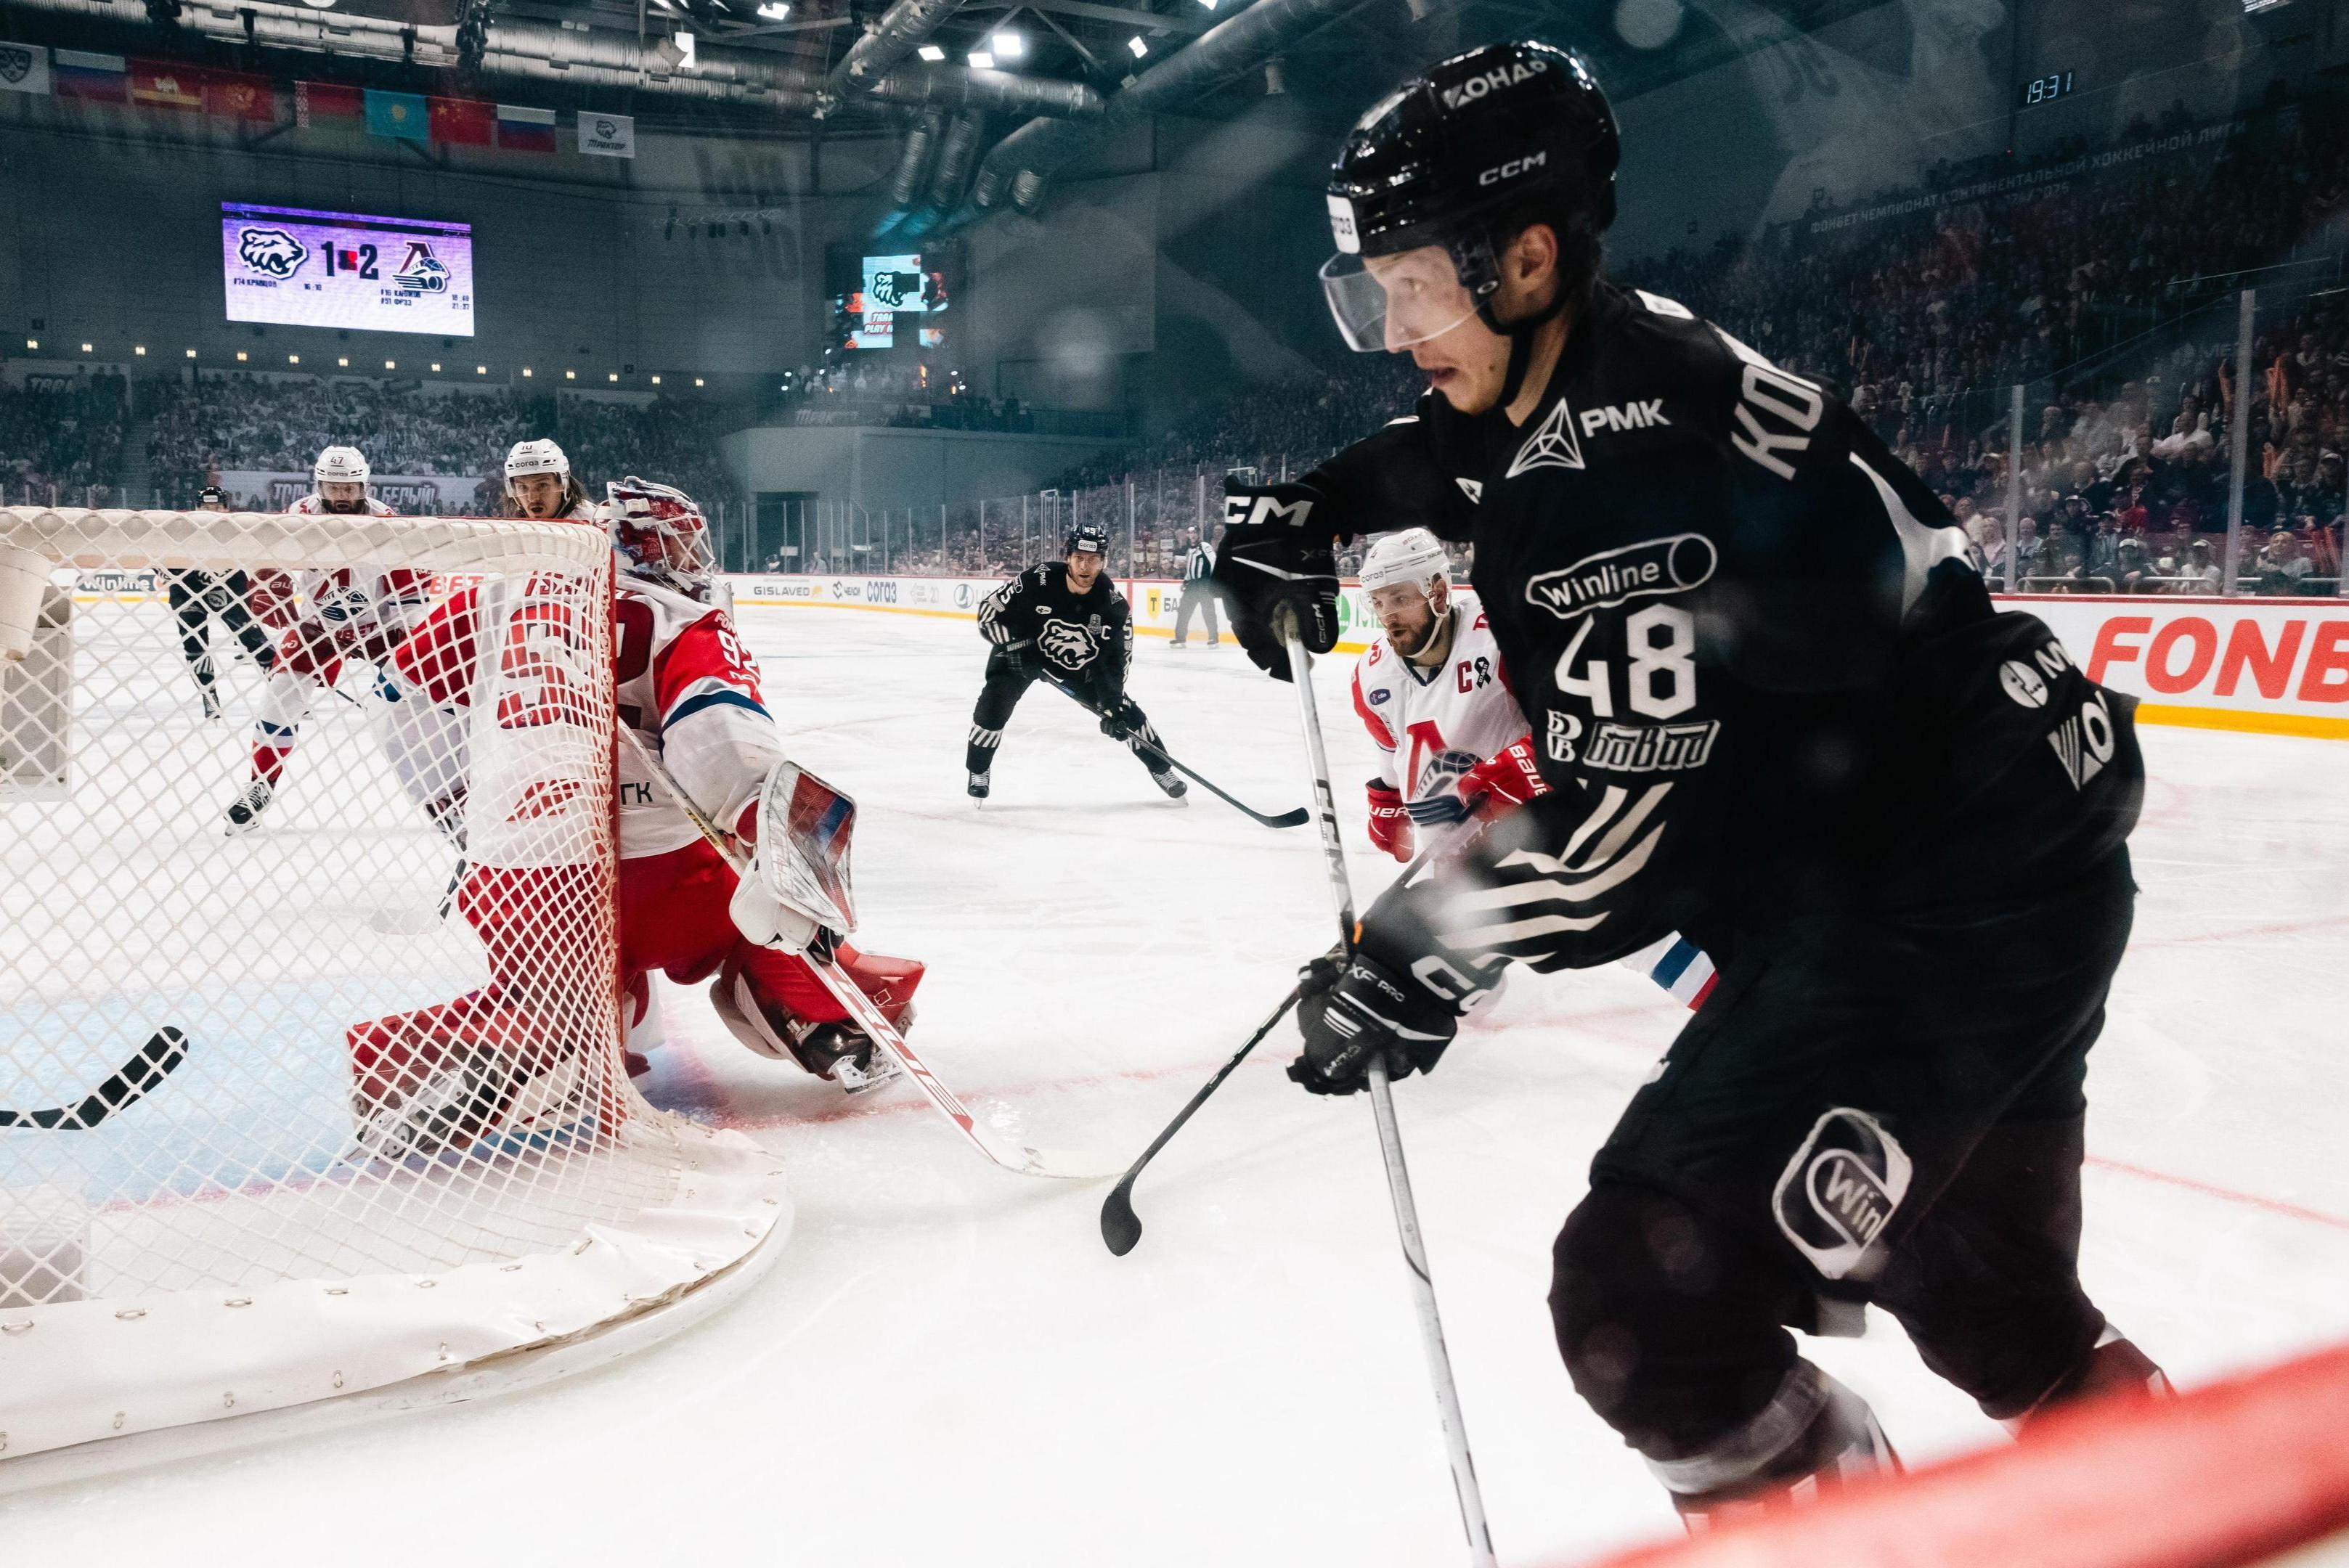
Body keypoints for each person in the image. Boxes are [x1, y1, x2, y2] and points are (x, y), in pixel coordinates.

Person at [1212, 40, 2162, 1529]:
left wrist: (1417, 949)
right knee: (1983, 1297)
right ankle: (2167, 1499)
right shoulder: (1614, 359)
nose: (1394, 332)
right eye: (1373, 293)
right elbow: (1444, 454)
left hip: (1938, 897)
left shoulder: (1609, 490)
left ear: (1526, 257)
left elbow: (1618, 849)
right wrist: (1313, 505)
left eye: (1414, 288)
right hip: (2003, 836)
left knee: (1649, 1301)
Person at [351, 477, 928, 1159]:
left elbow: (401, 700)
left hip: (513, 875)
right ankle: (828, 1026)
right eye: (679, 545)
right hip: (666, 881)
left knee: (563, 997)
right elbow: (725, 743)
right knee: (772, 932)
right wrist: (779, 859)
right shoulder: (677, 617)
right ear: (642, 545)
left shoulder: (493, 596)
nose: (692, 560)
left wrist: (459, 804)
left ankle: (492, 1044)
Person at [1352, 525, 1717, 1010]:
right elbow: (1389, 744)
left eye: (1399, 598)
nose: (1387, 616)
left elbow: (1586, 710)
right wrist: (1386, 797)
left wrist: (1530, 759)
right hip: (1452, 841)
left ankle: (1739, 1008)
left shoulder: (1503, 632)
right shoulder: (1372, 673)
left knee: (1621, 923)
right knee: (1457, 959)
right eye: (1378, 603)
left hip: (1538, 821)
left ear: (1436, 590)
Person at [224, 446, 425, 833]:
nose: (342, 496)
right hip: (318, 629)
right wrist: (268, 581)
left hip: (380, 629)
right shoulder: (300, 516)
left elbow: (410, 594)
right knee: (281, 695)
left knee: (421, 706)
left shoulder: (387, 523)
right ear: (319, 486)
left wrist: (410, 642)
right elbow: (271, 562)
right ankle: (259, 786)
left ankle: (452, 792)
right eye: (334, 487)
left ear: (364, 486)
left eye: (349, 488)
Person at [964, 523, 1186, 803]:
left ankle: (1162, 769)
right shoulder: (1038, 579)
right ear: (1067, 557)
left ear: (1103, 562)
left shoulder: (1114, 606)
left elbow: (1115, 663)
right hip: (1022, 653)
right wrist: (1015, 646)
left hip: (1075, 663)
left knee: (1125, 712)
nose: (1084, 566)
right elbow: (989, 613)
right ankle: (978, 770)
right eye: (1079, 557)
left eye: (1093, 560)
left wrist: (1113, 706)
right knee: (995, 701)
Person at [165, 485, 275, 720]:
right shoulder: (181, 529)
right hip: (187, 589)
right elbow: (161, 560)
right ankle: (210, 699)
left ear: (226, 508)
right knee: (194, 643)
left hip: (229, 584)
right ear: (197, 509)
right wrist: (176, 571)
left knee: (251, 637)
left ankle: (284, 692)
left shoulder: (238, 529)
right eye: (206, 508)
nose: (212, 512)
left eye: (217, 507)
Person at [1171, 529, 1221, 648]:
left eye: (1194, 533)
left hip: (1204, 583)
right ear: (1188, 535)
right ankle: (1180, 638)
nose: (1192, 535)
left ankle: (1214, 638)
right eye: (1190, 533)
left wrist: (1213, 580)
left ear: (1198, 534)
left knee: (1208, 611)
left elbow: (1214, 561)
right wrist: (1186, 581)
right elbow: (1190, 568)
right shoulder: (1189, 549)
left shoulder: (1205, 546)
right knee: (1183, 611)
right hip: (1192, 584)